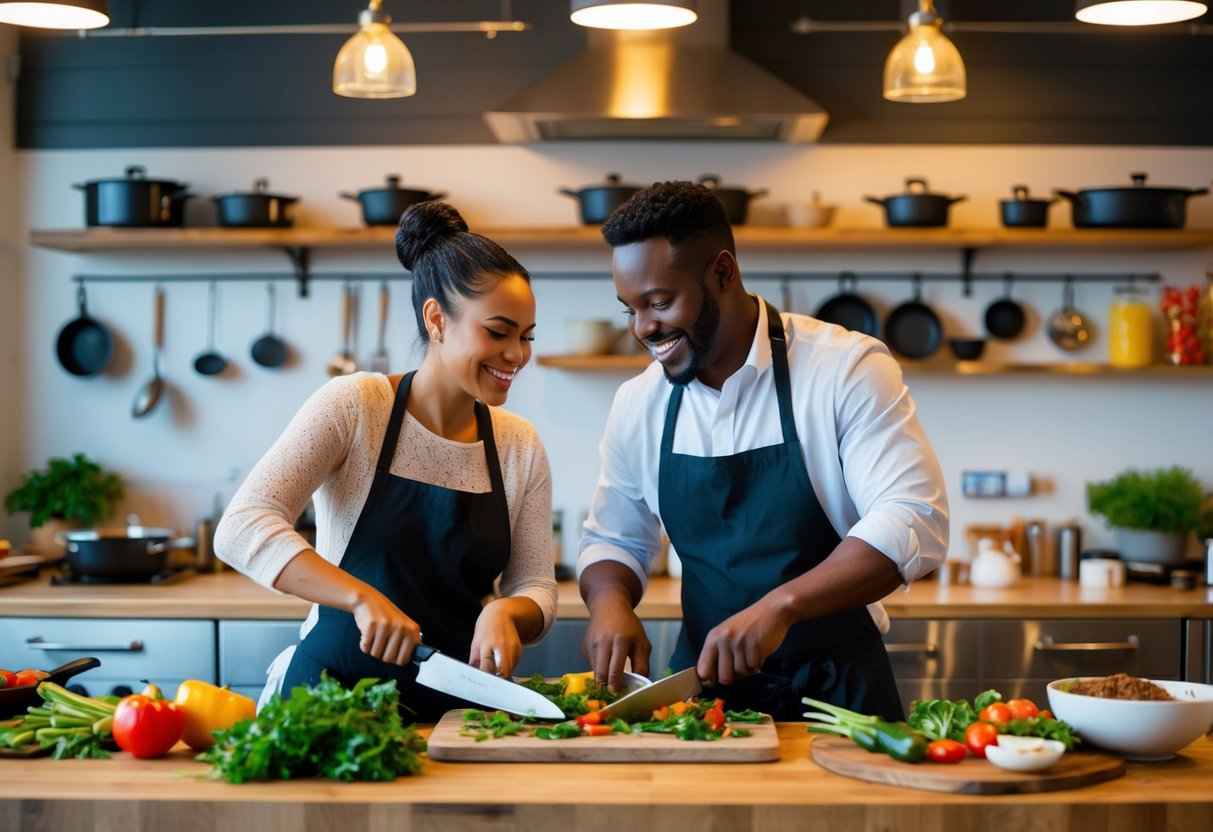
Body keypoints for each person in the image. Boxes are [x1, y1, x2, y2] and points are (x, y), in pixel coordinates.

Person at [577, 181, 949, 722]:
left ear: (723, 272)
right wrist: (609, 604)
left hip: (839, 699)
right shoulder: (639, 403)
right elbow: (615, 537)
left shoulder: (844, 369)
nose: (643, 328)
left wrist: (780, 607)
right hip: (705, 705)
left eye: (659, 302)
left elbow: (912, 517)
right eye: (630, 309)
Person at [214, 201, 556, 721]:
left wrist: (510, 611)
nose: (517, 355)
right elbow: (241, 526)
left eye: (526, 337)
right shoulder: (355, 406)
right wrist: (359, 598)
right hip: (329, 704)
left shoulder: (519, 445)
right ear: (437, 319)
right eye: (498, 331)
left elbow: (536, 585)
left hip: (456, 715)